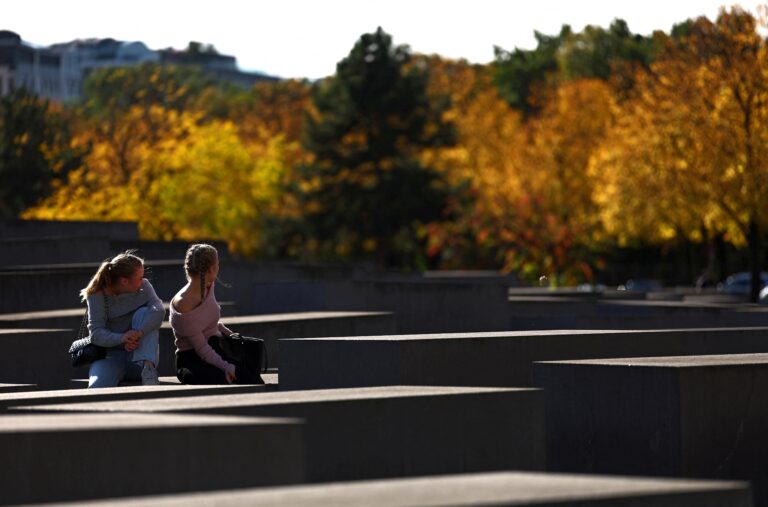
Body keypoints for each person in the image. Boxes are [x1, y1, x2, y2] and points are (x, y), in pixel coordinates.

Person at [81, 251, 165, 388]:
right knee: (97, 389)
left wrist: (139, 333)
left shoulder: (145, 286)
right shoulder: (97, 295)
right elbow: (96, 334)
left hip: (139, 357)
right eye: (139, 278)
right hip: (109, 357)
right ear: (124, 281)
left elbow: (159, 311)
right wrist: (122, 338)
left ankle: (149, 370)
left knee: (145, 312)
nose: (142, 281)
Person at [170, 243, 239, 384]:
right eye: (217, 264)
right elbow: (201, 348)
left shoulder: (208, 284)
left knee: (247, 374)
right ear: (211, 269)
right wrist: (226, 367)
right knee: (220, 379)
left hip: (214, 348)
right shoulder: (184, 303)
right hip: (192, 358)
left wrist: (226, 332)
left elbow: (207, 321)